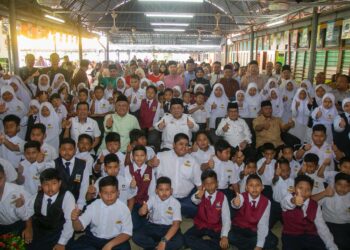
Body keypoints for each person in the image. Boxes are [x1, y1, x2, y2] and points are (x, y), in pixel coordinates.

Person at [70, 176, 132, 250]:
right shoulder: (93, 206)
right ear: (100, 194)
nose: (109, 196)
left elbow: (127, 233)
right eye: (105, 193)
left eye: (112, 192)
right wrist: (75, 219)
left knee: (125, 248)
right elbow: (78, 228)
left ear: (118, 193)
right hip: (93, 238)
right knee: (75, 246)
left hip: (114, 239)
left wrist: (109, 245)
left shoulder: (123, 208)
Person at [281, 175, 338, 250]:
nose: (304, 192)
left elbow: (322, 227)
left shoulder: (314, 205)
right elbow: (286, 204)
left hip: (310, 235)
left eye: (308, 189)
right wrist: (294, 201)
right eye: (300, 188)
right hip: (291, 235)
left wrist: (331, 246)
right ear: (294, 189)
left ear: (311, 192)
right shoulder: (287, 198)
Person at [26, 168, 75, 250]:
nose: (50, 188)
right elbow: (27, 213)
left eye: (54, 183)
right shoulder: (37, 196)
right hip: (40, 230)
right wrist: (29, 228)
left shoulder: (67, 196)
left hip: (59, 232)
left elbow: (69, 222)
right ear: (41, 185)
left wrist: (61, 243)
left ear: (59, 183)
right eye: (46, 184)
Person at [154, 133, 201, 218]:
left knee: (197, 211)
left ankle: (174, 211)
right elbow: (149, 171)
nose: (184, 147)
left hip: (185, 199)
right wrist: (149, 163)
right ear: (174, 145)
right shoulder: (161, 156)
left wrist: (198, 198)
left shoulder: (193, 161)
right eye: (181, 144)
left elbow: (199, 185)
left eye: (186, 145)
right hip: (164, 197)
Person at [133, 176, 184, 250]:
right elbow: (141, 213)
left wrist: (164, 240)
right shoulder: (153, 198)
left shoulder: (175, 203)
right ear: (156, 191)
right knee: (136, 236)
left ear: (171, 190)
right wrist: (142, 210)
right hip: (153, 226)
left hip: (169, 228)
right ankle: (159, 246)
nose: (164, 193)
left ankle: (156, 245)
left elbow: (176, 225)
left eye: (167, 190)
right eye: (161, 190)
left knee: (179, 241)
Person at [229, 174, 278, 250]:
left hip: (254, 229)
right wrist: (235, 203)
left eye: (257, 185)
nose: (254, 188)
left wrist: (259, 245)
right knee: (230, 236)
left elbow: (263, 224)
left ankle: (247, 245)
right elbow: (236, 203)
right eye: (251, 185)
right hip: (239, 228)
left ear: (262, 187)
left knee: (273, 240)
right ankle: (250, 244)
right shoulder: (242, 196)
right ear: (246, 188)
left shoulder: (266, 202)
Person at [184, 170, 230, 250]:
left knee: (223, 243)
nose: (210, 186)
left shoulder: (222, 197)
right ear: (203, 185)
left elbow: (226, 218)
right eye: (206, 184)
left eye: (212, 183)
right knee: (185, 237)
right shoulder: (200, 193)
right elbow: (194, 200)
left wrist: (224, 236)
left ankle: (200, 245)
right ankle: (207, 246)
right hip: (200, 225)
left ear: (217, 183)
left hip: (215, 227)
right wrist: (198, 196)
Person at [314, 173, 350, 250]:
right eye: (339, 184)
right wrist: (324, 193)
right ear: (334, 184)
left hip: (346, 224)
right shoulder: (328, 192)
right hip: (329, 224)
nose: (343, 188)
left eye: (347, 186)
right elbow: (309, 202)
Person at [124, 145, 157, 230]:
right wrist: (132, 187)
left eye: (142, 155)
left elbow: (152, 191)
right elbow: (126, 192)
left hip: (145, 202)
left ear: (146, 157)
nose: (139, 158)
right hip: (132, 203)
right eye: (136, 155)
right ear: (132, 157)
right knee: (135, 226)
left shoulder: (150, 170)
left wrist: (148, 206)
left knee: (150, 224)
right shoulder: (127, 169)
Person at [54, 138, 89, 210]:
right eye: (64, 149)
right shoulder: (53, 164)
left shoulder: (82, 165)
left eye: (70, 149)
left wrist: (80, 205)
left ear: (75, 150)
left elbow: (84, 186)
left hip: (76, 203)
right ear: (59, 150)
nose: (67, 152)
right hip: (57, 203)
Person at [0, 164, 32, 236]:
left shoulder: (18, 191)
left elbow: (29, 211)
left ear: (5, 176)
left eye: (0, 179)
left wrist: (29, 228)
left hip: (19, 224)